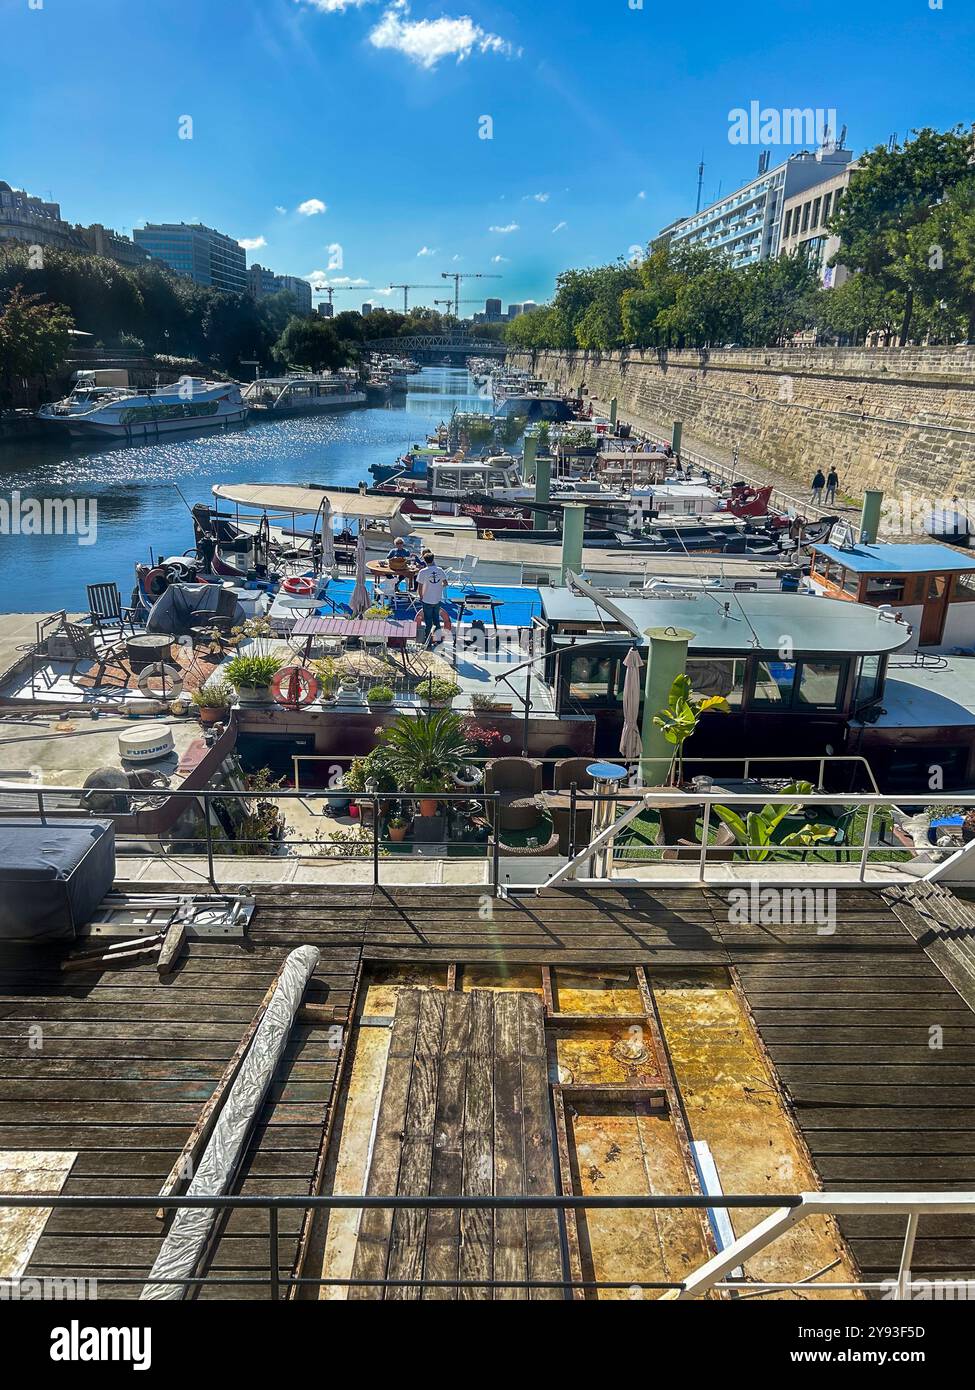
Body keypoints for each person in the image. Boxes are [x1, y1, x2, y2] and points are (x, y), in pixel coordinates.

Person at [416, 552, 448, 645]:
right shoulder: (440, 570)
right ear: (433, 559)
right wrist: (438, 588)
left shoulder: (422, 572)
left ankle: (427, 640)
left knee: (428, 620)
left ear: (425, 561)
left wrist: (421, 596)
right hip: (437, 598)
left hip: (427, 599)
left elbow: (420, 586)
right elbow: (445, 583)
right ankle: (438, 639)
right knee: (436, 620)